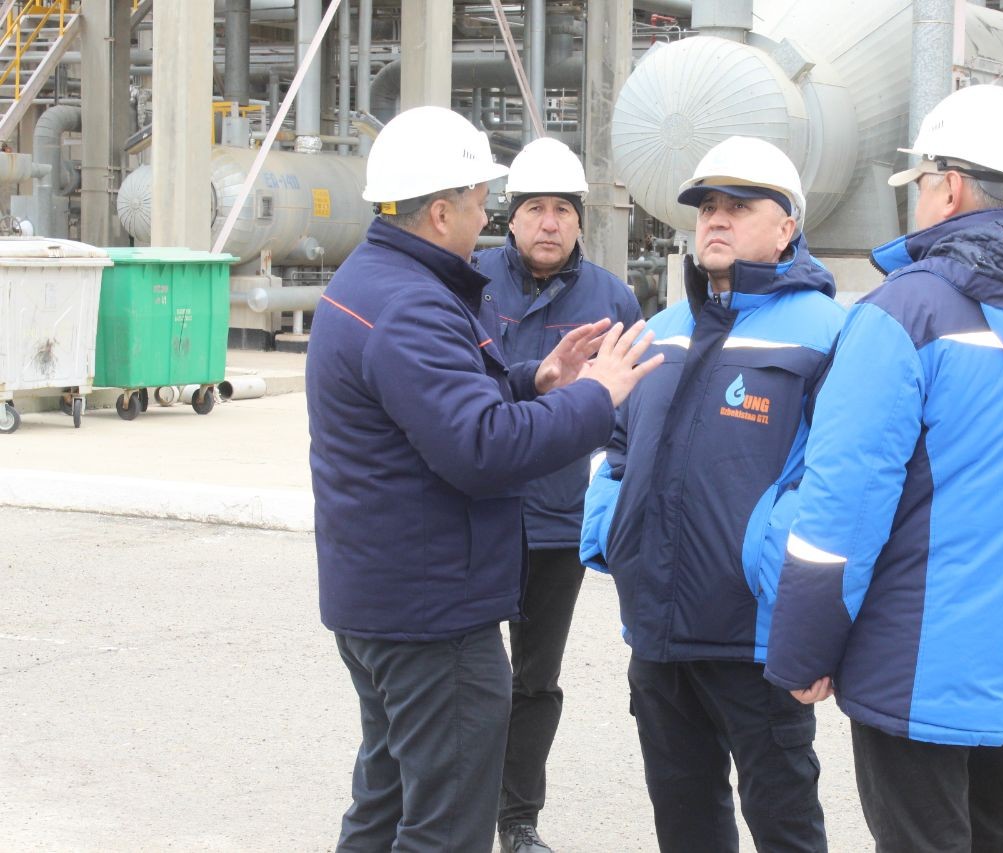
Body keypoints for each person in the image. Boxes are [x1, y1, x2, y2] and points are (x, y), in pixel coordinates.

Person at [763, 84, 1003, 852]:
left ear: (948, 187)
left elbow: (842, 509)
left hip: (910, 665)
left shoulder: (903, 314)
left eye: (919, 184)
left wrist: (804, 648)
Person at [306, 106, 661, 853]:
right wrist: (596, 394)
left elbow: (439, 406)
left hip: (383, 597)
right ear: (441, 212)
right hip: (431, 612)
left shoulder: (372, 280)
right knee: (445, 828)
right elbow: (481, 447)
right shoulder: (411, 304)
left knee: (385, 802)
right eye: (479, 202)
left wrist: (535, 379)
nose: (486, 217)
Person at [580, 136, 845, 852]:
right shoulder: (660, 332)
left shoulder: (830, 333)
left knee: (784, 822)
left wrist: (803, 607)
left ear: (787, 227)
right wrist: (610, 531)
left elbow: (838, 484)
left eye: (739, 206)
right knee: (685, 822)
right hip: (658, 628)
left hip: (755, 637)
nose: (716, 220)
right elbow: (615, 444)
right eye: (707, 208)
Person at [473, 137, 642, 853]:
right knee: (464, 679)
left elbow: (634, 410)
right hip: (476, 514)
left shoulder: (611, 298)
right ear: (510, 217)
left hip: (555, 522)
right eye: (535, 208)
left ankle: (518, 820)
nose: (549, 222)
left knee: (535, 680)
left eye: (563, 210)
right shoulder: (470, 283)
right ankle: (454, 811)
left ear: (579, 220)